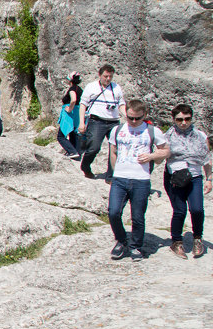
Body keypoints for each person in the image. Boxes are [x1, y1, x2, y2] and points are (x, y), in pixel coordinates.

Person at [107, 99, 169, 261]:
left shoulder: (152, 131)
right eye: (130, 118)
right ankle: (121, 240)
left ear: (144, 115)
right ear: (125, 114)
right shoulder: (117, 129)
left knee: (138, 216)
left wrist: (151, 156)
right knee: (113, 212)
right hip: (120, 178)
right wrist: (116, 172)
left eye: (137, 118)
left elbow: (165, 151)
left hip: (141, 179)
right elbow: (113, 152)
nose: (133, 121)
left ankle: (136, 246)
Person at [162, 103, 211, 259]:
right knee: (180, 210)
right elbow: (160, 155)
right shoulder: (167, 136)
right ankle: (176, 241)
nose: (183, 123)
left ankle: (197, 238)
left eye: (187, 119)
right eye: (179, 119)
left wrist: (209, 179)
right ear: (174, 119)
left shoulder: (201, 136)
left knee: (197, 209)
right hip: (175, 177)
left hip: (195, 176)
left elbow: (206, 160)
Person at [78, 64, 127, 179]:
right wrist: (81, 123)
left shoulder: (116, 87)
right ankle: (85, 166)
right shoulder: (91, 87)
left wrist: (127, 116)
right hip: (97, 121)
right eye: (105, 76)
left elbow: (121, 104)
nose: (108, 79)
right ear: (100, 75)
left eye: (110, 76)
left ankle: (111, 176)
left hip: (114, 122)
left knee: (115, 149)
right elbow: (83, 104)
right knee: (94, 147)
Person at [57, 72, 83, 159]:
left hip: (69, 114)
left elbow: (73, 99)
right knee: (73, 133)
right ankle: (75, 151)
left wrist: (69, 109)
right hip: (77, 113)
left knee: (61, 136)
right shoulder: (80, 89)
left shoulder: (72, 89)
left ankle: (72, 151)